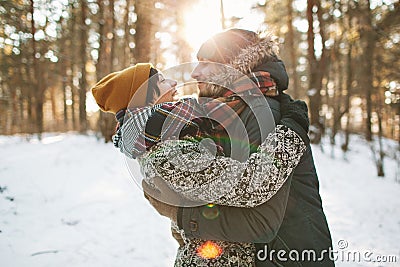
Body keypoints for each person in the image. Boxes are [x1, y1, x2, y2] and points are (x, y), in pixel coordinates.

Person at [142, 29, 335, 267]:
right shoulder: (232, 112)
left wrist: (183, 216)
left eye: (205, 63)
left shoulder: (262, 113)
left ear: (231, 66)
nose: (195, 72)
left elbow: (261, 219)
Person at [91, 62, 307, 266]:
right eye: (163, 82)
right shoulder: (166, 154)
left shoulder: (167, 135)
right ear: (148, 98)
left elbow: (215, 110)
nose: (174, 84)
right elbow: (253, 184)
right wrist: (293, 127)